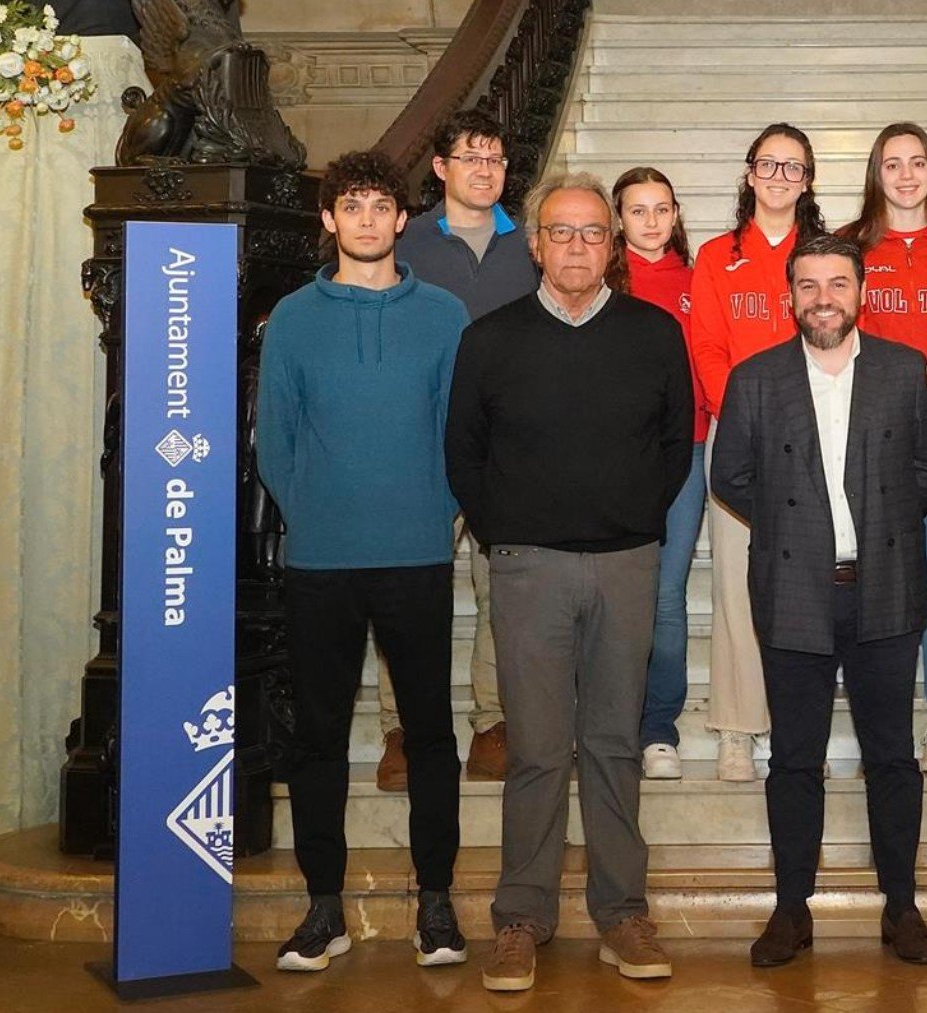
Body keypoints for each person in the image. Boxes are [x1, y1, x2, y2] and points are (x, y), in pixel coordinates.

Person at [447, 173, 694, 990]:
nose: (578, 246)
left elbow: (674, 445)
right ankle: (521, 918)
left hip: (626, 564)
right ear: (536, 244)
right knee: (539, 749)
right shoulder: (490, 339)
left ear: (614, 245)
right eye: (562, 232)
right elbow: (465, 452)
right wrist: (508, 534)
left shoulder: (654, 333)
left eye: (593, 232)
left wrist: (631, 518)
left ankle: (623, 911)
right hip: (528, 569)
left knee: (617, 744)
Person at [711, 233, 927, 969]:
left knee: (892, 757)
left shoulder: (905, 370)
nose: (824, 297)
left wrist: (879, 519)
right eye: (810, 284)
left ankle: (902, 906)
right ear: (790, 296)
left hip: (885, 587)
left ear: (860, 292)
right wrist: (802, 529)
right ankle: (792, 909)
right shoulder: (755, 379)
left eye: (838, 283)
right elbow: (731, 475)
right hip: (793, 590)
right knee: (793, 759)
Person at [256, 150, 469, 973]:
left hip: (417, 553)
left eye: (382, 205)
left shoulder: (446, 314)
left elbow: (459, 432)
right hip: (322, 560)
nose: (369, 220)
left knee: (431, 736)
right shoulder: (294, 319)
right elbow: (275, 441)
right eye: (353, 206)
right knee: (317, 737)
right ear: (329, 219)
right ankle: (323, 908)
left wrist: (438, 511)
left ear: (402, 218)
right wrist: (317, 518)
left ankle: (437, 904)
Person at [378, 109, 541, 790]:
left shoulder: (529, 246)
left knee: (503, 585)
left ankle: (493, 722)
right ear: (440, 168)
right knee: (412, 584)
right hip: (422, 437)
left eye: (497, 159)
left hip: (508, 444)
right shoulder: (403, 242)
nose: (485, 170)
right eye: (471, 157)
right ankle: (404, 726)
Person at [838, 122, 927, 774]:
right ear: (876, 172)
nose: (904, 174)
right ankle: (883, 719)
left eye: (916, 161)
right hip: (871, 439)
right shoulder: (848, 246)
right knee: (875, 583)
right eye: (892, 163)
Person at [690, 123, 827, 782]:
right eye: (769, 164)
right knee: (736, 586)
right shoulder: (717, 257)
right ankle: (739, 727)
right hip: (740, 438)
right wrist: (748, 417)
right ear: (749, 174)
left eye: (793, 167)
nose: (780, 176)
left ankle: (801, 728)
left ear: (807, 181)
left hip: (820, 435)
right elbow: (708, 348)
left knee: (809, 589)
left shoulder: (827, 256)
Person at [608, 166, 708, 780]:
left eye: (661, 209)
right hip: (611, 456)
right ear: (618, 219)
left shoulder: (699, 281)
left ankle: (658, 729)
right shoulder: (601, 280)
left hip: (687, 451)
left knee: (666, 594)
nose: (650, 220)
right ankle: (608, 720)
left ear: (675, 215)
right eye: (638, 210)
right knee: (611, 595)